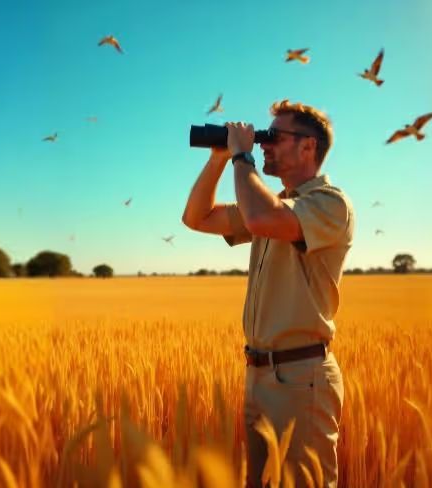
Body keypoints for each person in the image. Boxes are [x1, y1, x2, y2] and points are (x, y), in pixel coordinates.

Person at [180, 99, 354, 487]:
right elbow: (196, 218)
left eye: (274, 136)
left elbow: (262, 217)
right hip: (259, 375)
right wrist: (219, 159)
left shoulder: (330, 204)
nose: (264, 144)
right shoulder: (274, 203)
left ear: (308, 146)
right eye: (264, 137)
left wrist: (243, 157)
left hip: (300, 380)